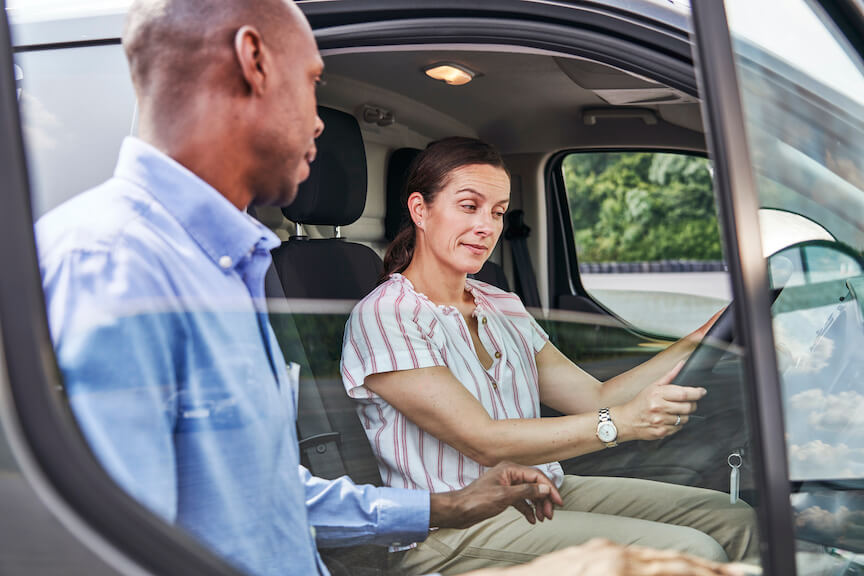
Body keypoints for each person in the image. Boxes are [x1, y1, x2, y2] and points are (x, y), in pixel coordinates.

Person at [33, 1, 747, 575]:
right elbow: (107, 543)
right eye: (313, 81)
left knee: (732, 523)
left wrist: (442, 506)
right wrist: (610, 428)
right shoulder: (112, 263)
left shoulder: (230, 267)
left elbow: (276, 496)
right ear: (254, 61)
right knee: (693, 563)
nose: (319, 119)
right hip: (448, 548)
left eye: (497, 213)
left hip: (470, 510)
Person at [341, 137, 758, 575]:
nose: (487, 225)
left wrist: (704, 336)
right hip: (448, 534)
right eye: (469, 206)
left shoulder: (499, 303)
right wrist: (624, 423)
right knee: (693, 554)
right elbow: (482, 440)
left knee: (732, 519)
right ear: (420, 210)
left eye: (498, 212)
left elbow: (595, 396)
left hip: (538, 492)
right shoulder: (387, 315)